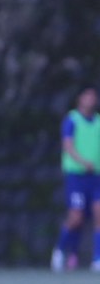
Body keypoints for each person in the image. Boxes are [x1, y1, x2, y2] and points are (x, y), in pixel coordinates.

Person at [51, 86, 99, 272]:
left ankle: (97, 259)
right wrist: (83, 162)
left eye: (93, 96)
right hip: (76, 176)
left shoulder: (98, 122)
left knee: (99, 214)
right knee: (76, 217)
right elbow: (68, 146)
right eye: (87, 95)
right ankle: (60, 251)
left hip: (96, 176)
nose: (91, 99)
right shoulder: (72, 120)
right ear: (80, 98)